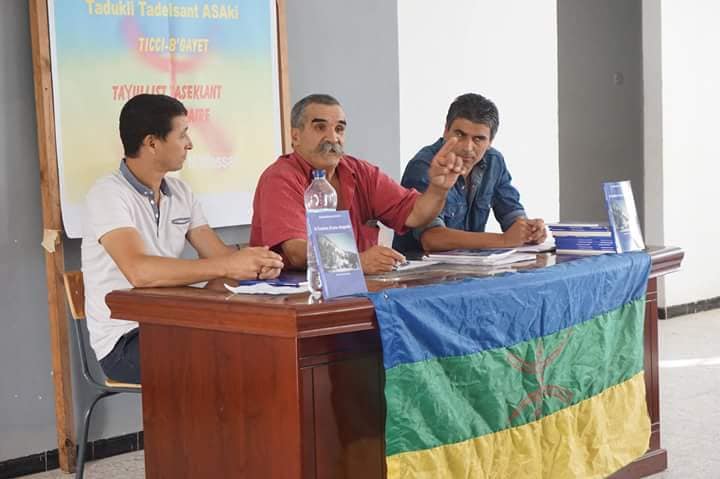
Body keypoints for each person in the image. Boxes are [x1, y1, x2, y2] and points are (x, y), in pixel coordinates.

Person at [81, 94, 283, 384]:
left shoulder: (180, 192)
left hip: (176, 322)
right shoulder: (108, 194)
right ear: (152, 143)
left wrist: (256, 265)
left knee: (259, 346)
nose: (190, 144)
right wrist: (228, 266)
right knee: (228, 359)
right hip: (125, 340)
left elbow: (218, 257)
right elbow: (140, 271)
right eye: (183, 134)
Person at [249, 93, 466, 274]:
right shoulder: (279, 178)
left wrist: (438, 189)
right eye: (320, 128)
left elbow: (415, 215)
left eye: (339, 129)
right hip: (295, 301)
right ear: (295, 136)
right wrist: (356, 261)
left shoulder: (360, 172)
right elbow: (296, 251)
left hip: (357, 295)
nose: (332, 138)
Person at [393, 93, 547, 255]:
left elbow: (511, 214)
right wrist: (503, 240)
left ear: (490, 142)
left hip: (471, 269)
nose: (467, 147)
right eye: (460, 134)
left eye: (478, 139)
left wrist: (528, 230)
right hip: (421, 274)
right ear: (446, 130)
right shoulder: (425, 165)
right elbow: (432, 238)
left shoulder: (494, 160)